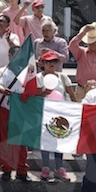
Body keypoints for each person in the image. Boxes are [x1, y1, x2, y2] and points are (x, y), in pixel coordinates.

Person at [38, 51, 76, 183]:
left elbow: (71, 94)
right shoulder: (38, 78)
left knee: (59, 140)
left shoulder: (63, 77)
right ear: (42, 63)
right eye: (48, 62)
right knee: (45, 141)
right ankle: (46, 167)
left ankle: (59, 168)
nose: (51, 64)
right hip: (44, 114)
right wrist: (44, 92)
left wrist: (77, 109)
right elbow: (34, 97)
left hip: (61, 114)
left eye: (54, 61)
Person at [0, 45, 31, 182]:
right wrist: (3, 90)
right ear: (9, 56)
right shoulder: (2, 71)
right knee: (5, 140)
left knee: (22, 141)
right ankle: (6, 168)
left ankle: (22, 169)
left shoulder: (28, 72)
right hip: (5, 110)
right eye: (14, 56)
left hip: (21, 111)